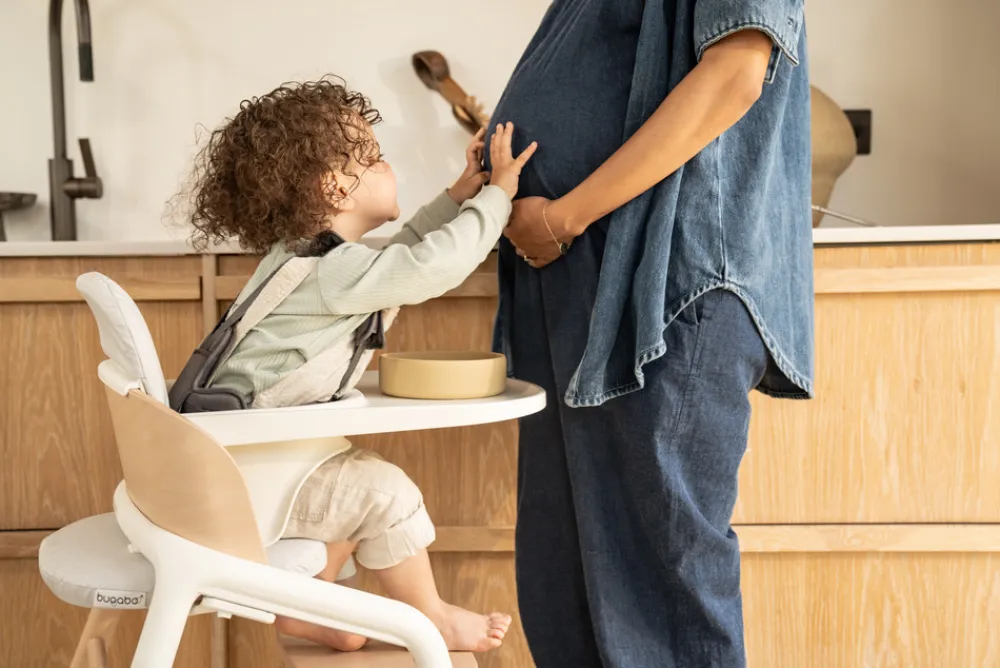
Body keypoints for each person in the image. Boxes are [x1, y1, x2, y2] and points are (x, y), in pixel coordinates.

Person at [483, 1, 813, 666]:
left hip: (658, 279)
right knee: (566, 575)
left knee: (658, 590)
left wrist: (565, 215)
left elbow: (735, 72)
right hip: (578, 277)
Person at [179, 77, 537, 653]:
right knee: (382, 491)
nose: (387, 165)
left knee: (347, 474)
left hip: (241, 461)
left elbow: (402, 253)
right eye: (373, 157)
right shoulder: (334, 273)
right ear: (335, 187)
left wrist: (459, 196)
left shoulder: (308, 258)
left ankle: (314, 605)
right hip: (254, 477)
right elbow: (430, 265)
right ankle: (431, 616)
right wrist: (497, 198)